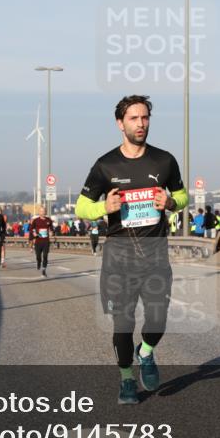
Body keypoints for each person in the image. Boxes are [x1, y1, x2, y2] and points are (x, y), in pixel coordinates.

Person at [74, 95, 187, 405]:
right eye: (134, 119)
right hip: (119, 259)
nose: (141, 124)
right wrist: (103, 206)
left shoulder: (164, 160)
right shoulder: (105, 165)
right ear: (120, 124)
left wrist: (172, 202)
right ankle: (126, 379)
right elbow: (81, 207)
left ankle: (146, 352)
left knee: (157, 320)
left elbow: (182, 195)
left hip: (155, 255)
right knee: (123, 325)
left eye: (145, 118)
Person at [29, 205, 55, 277]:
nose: (43, 212)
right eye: (41, 211)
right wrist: (34, 233)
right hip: (38, 241)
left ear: (45, 212)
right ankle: (38, 262)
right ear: (39, 212)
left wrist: (51, 232)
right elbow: (31, 228)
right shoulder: (36, 220)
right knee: (38, 256)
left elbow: (52, 228)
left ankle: (44, 270)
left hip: (46, 241)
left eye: (44, 211)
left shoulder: (48, 220)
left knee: (45, 256)